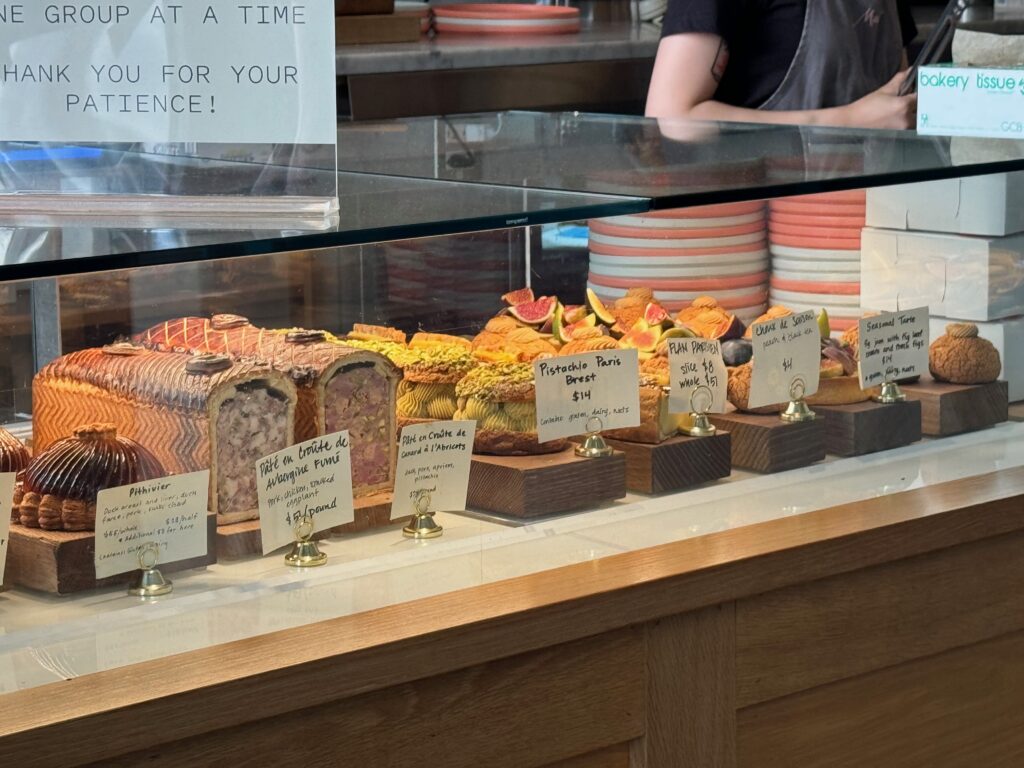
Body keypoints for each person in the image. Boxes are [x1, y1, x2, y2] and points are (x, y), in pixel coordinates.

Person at [646, 0, 919, 129]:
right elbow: (670, 117)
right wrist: (850, 121)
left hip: (877, 221)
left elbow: (898, 100)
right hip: (763, 221)